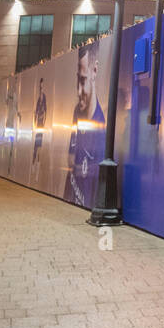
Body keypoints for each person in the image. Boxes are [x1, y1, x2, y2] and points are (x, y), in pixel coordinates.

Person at [64, 43, 106, 208]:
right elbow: (71, 166)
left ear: (94, 71)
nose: (78, 91)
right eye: (77, 80)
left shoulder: (100, 131)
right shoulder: (76, 113)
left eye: (83, 80)